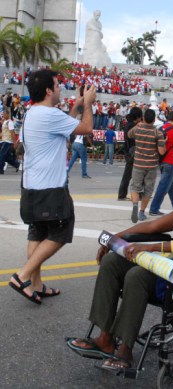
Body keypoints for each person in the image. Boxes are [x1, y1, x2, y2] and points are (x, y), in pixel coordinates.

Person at [67, 161, 173, 370]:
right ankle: (105, 338)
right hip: (170, 264)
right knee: (112, 261)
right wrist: (116, 238)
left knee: (137, 275)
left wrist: (155, 248)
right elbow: (154, 225)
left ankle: (125, 350)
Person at [8, 69, 96, 304]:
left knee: (38, 233)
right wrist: (88, 104)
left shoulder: (34, 113)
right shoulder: (49, 115)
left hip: (32, 186)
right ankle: (22, 276)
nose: (60, 88)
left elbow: (63, 123)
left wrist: (77, 104)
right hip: (51, 188)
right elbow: (86, 128)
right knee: (61, 231)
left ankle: (36, 285)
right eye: (57, 85)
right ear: (48, 90)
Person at [128, 109, 165, 223]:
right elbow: (162, 151)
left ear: (143, 118)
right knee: (148, 190)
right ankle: (142, 212)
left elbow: (129, 134)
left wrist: (138, 125)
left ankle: (135, 205)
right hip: (151, 165)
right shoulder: (157, 133)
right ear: (154, 120)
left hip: (138, 163)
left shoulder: (138, 129)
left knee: (135, 187)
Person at [149, 111, 173, 216]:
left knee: (170, 183)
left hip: (161, 160)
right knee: (163, 186)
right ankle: (154, 208)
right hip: (169, 161)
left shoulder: (161, 128)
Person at [117, 107, 143, 200]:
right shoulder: (133, 126)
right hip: (132, 153)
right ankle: (123, 195)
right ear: (138, 117)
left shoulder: (128, 124)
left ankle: (124, 194)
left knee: (130, 175)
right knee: (135, 175)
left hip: (129, 152)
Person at [0, 109, 20, 174]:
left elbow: (12, 133)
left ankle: (0, 169)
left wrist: (14, 143)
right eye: (2, 114)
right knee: (6, 157)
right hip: (4, 141)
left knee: (2, 155)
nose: (3, 115)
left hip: (7, 142)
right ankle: (16, 164)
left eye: (4, 114)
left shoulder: (10, 122)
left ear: (7, 114)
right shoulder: (5, 122)